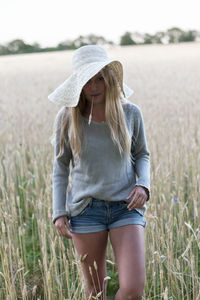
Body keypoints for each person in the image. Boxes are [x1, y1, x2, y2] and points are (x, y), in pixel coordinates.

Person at [48, 45, 150, 300]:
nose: (93, 86)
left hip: (125, 207)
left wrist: (143, 185)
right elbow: (60, 167)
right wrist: (58, 212)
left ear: (110, 78)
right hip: (85, 211)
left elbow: (142, 155)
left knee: (133, 288)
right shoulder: (67, 118)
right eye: (87, 81)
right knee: (95, 292)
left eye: (99, 79)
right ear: (78, 84)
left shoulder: (130, 113)